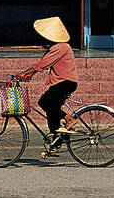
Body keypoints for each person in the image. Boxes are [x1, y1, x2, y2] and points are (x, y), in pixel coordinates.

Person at [16, 16, 78, 158]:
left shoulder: (61, 47)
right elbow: (44, 64)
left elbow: (43, 64)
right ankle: (55, 143)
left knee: (44, 102)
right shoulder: (57, 47)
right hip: (61, 82)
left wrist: (25, 73)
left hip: (65, 82)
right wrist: (29, 75)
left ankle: (69, 119)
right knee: (52, 112)